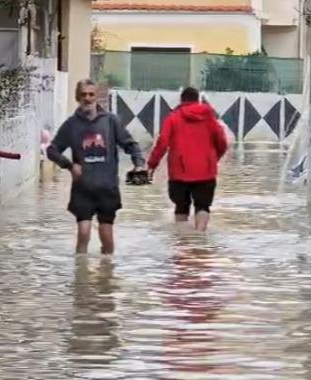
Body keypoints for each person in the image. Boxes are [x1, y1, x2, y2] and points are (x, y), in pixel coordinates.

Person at [46, 79, 146, 255]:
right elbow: (52, 150)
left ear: (97, 97)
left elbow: (130, 144)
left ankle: (106, 272)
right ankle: (81, 275)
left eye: (91, 94)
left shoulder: (111, 121)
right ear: (78, 97)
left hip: (108, 188)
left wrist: (139, 163)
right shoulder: (71, 124)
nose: (87, 98)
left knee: (106, 234)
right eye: (83, 94)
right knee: (83, 233)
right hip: (82, 189)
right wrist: (69, 166)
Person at [147, 87, 228, 232]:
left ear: (181, 100)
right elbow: (222, 142)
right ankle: (200, 236)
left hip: (179, 172)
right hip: (206, 171)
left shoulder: (173, 118)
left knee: (181, 206)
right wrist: (213, 159)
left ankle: (182, 242)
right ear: (198, 100)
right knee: (203, 206)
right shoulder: (210, 118)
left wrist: (152, 164)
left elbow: (162, 143)